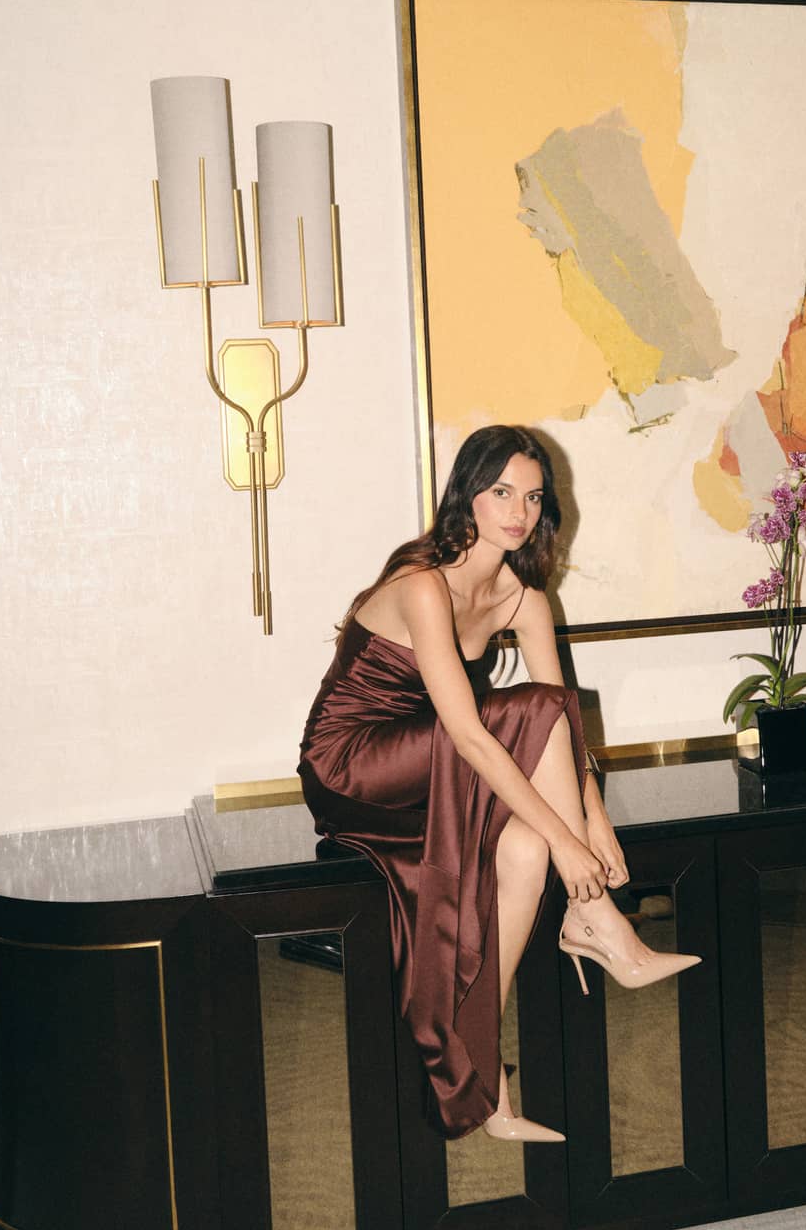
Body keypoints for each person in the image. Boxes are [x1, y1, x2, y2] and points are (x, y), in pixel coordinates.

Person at [298, 425, 698, 1143]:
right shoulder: (423, 585)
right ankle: (593, 916)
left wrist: (592, 824)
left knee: (525, 850)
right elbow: (473, 734)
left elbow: (563, 728)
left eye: (534, 498)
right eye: (502, 492)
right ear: (468, 496)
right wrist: (576, 849)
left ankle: (479, 1076)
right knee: (532, 727)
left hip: (434, 765)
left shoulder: (523, 599)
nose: (519, 512)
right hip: (352, 765)